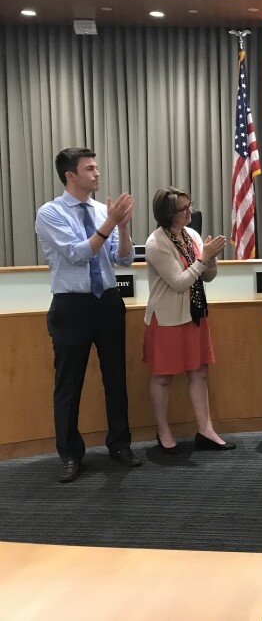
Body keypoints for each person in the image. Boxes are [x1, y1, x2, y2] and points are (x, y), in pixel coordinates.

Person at [34, 147, 142, 482]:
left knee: (116, 378)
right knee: (69, 384)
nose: (97, 174)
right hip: (72, 307)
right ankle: (69, 453)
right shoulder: (50, 213)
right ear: (71, 175)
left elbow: (123, 260)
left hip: (108, 302)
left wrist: (122, 227)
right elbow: (78, 254)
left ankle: (120, 443)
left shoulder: (99, 210)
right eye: (90, 168)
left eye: (97, 168)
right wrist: (111, 222)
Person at [144, 187, 233, 453]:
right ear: (167, 213)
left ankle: (206, 430)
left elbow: (207, 277)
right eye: (183, 208)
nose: (189, 211)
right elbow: (180, 283)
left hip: (194, 314)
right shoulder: (156, 242)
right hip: (167, 318)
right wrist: (204, 257)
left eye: (189, 205)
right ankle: (163, 431)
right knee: (163, 378)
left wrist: (211, 258)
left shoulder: (190, 235)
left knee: (199, 373)